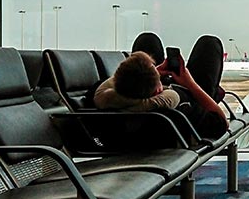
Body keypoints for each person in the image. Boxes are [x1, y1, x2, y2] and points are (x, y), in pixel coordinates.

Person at [94, 49, 228, 139]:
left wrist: (151, 72)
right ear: (158, 91)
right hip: (195, 99)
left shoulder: (105, 101)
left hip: (134, 130)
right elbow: (222, 123)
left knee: (148, 39)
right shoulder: (178, 112)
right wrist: (190, 84)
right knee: (209, 44)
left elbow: (103, 89)